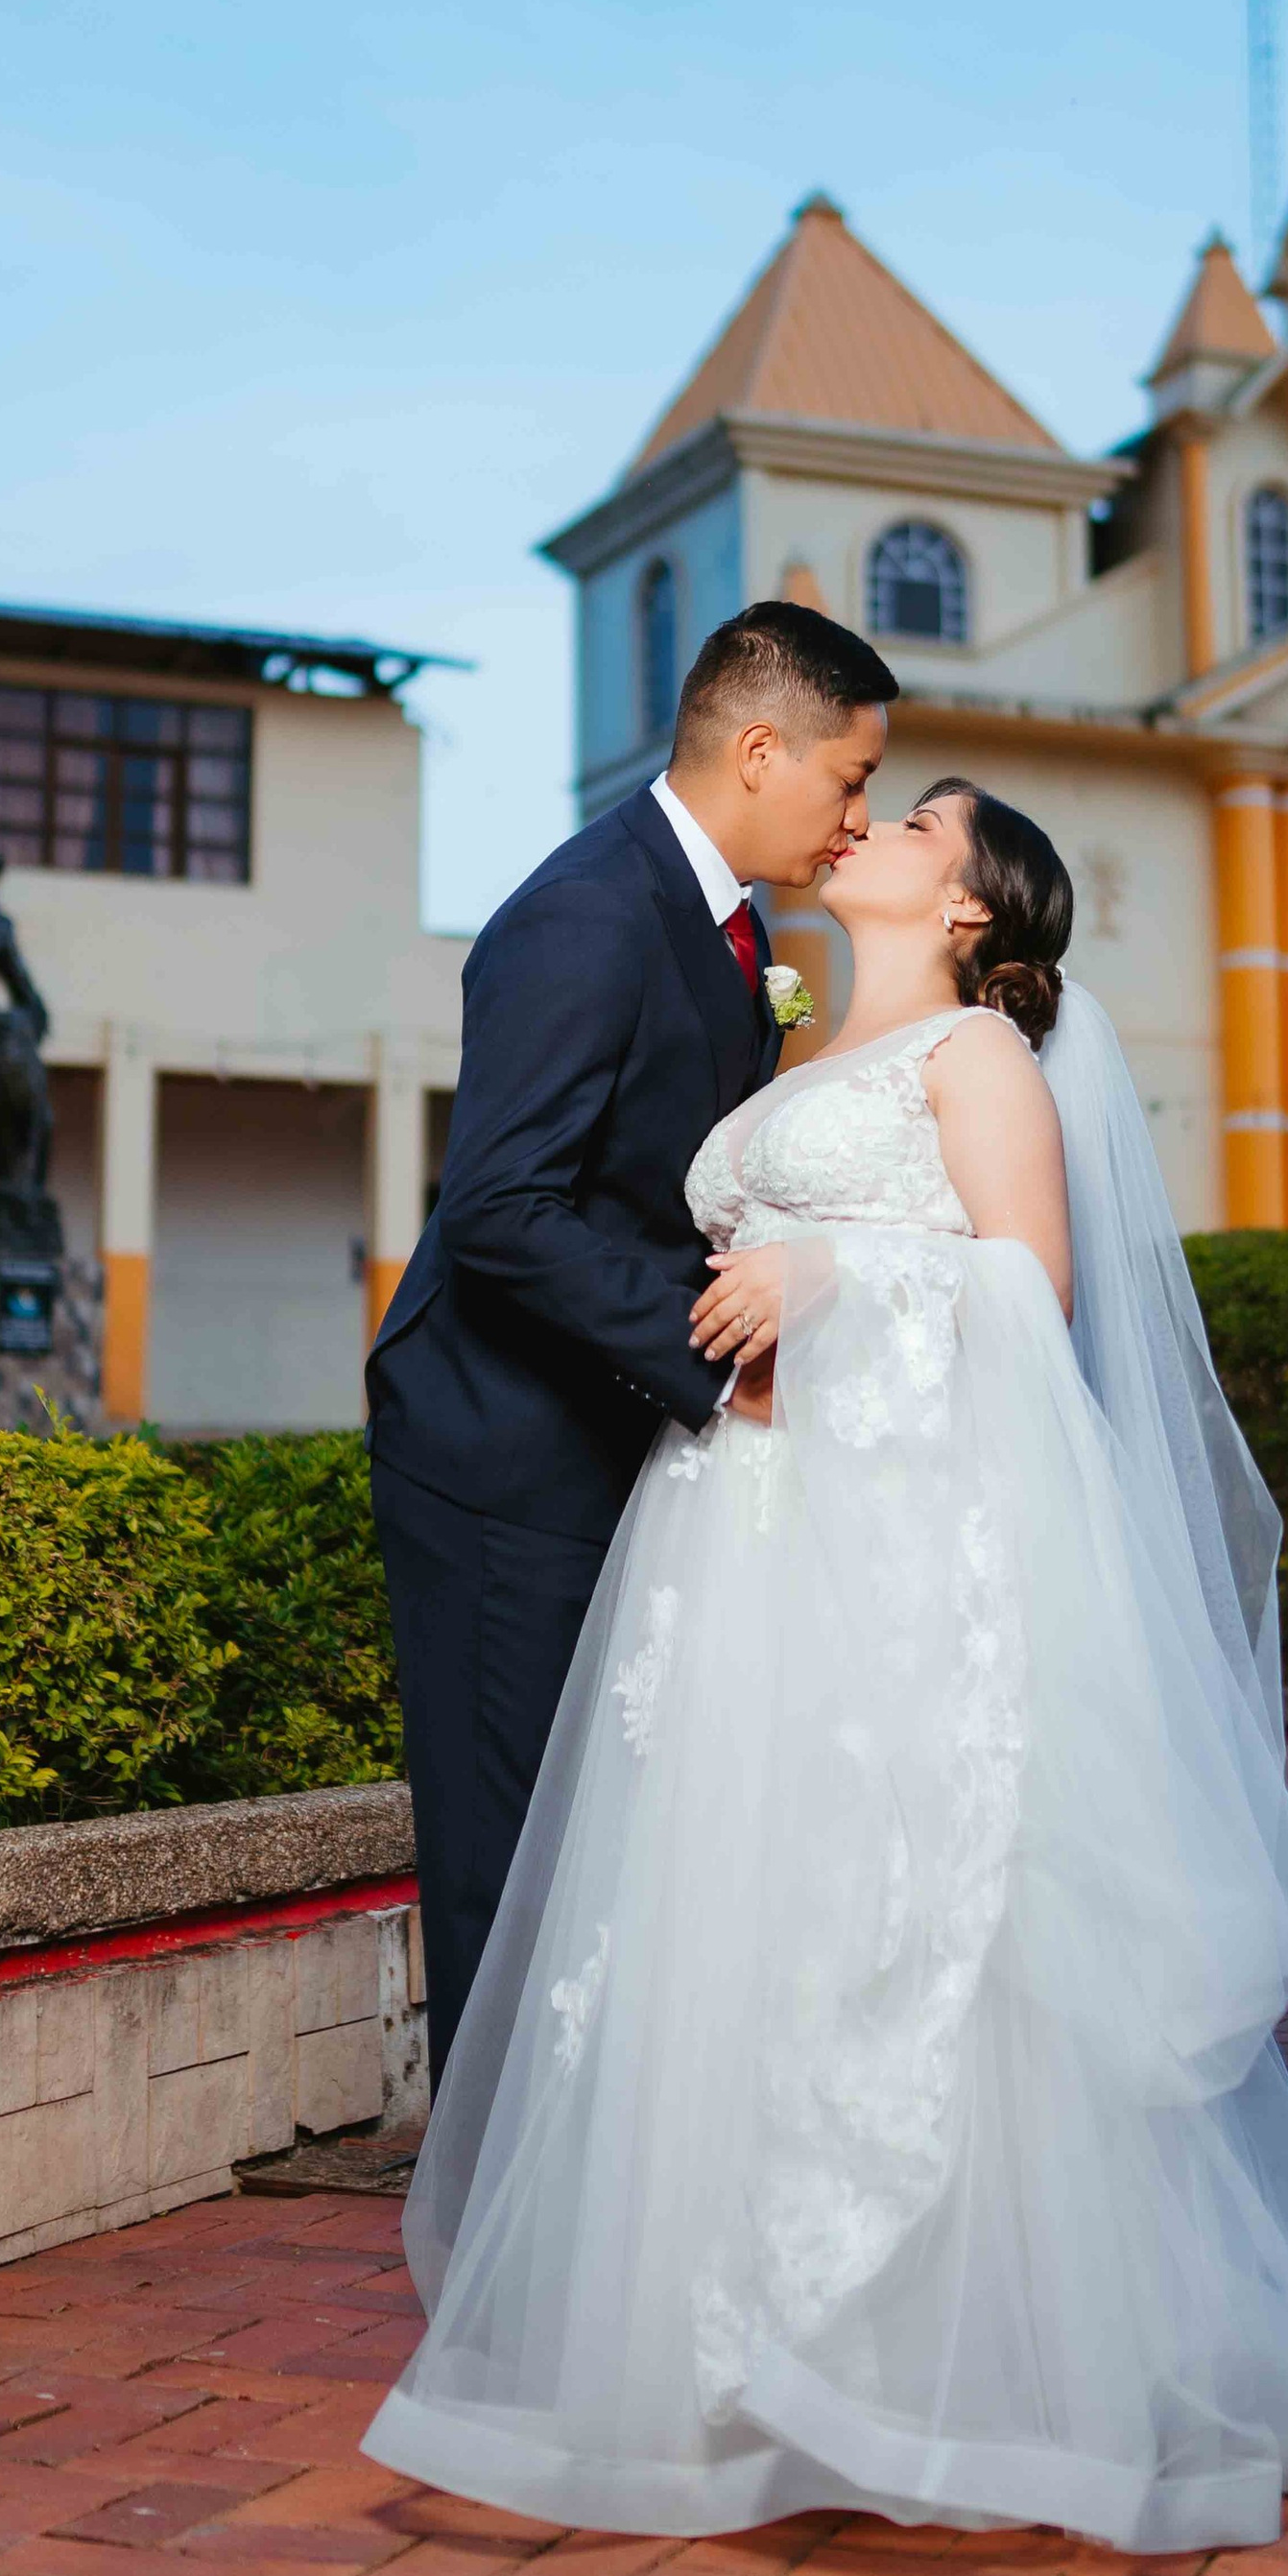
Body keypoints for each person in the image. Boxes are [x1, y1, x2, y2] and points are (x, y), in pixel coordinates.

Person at [365, 775, 1288, 2548]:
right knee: (747, 1897)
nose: (873, 830)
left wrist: (831, 1280)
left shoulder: (977, 1060)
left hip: (887, 1529)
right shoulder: (777, 1054)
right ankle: (718, 2338)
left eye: (916, 825)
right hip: (739, 1524)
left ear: (967, 910)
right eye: (877, 805)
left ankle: (934, 2352)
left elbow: (1030, 1287)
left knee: (911, 1904)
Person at [365, 601, 898, 2087]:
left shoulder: (735, 926)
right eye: (847, 781)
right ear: (757, 748)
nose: (855, 820)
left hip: (614, 1433)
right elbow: (502, 1208)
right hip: (501, 1448)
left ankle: (581, 2166)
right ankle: (487, 2213)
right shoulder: (588, 911)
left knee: (607, 1831)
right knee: (508, 1839)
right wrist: (719, 1356)